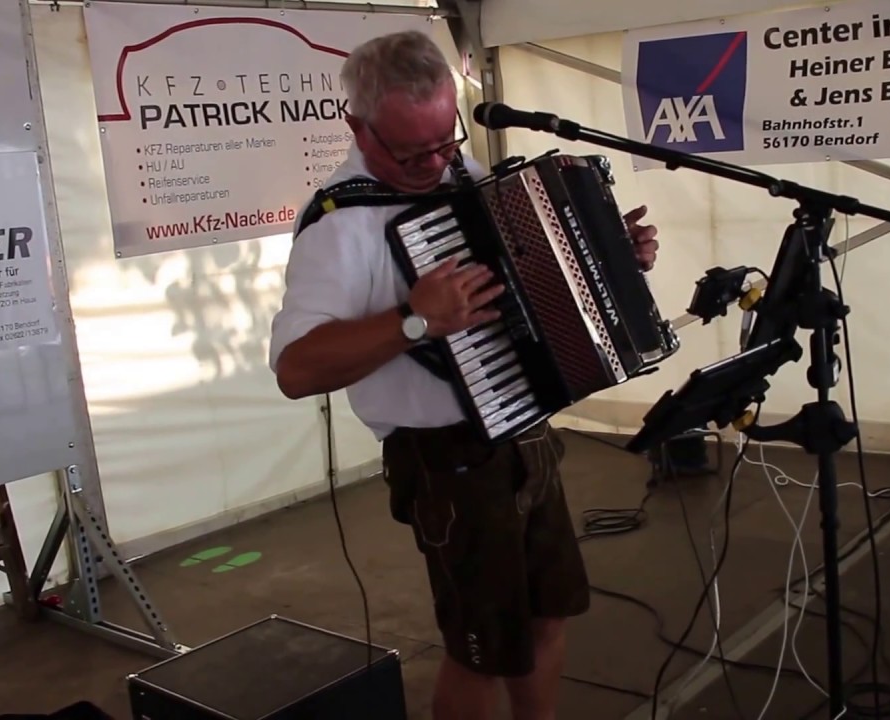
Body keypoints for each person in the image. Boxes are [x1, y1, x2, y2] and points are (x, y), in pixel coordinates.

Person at [268, 30, 661, 720]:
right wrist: (413, 322)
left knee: (546, 621)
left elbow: (537, 283)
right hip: (446, 464)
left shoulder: (468, 177)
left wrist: (610, 255)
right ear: (357, 127)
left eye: (444, 140)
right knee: (481, 651)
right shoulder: (338, 224)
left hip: (527, 433)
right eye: (410, 150)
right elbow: (295, 371)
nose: (434, 163)